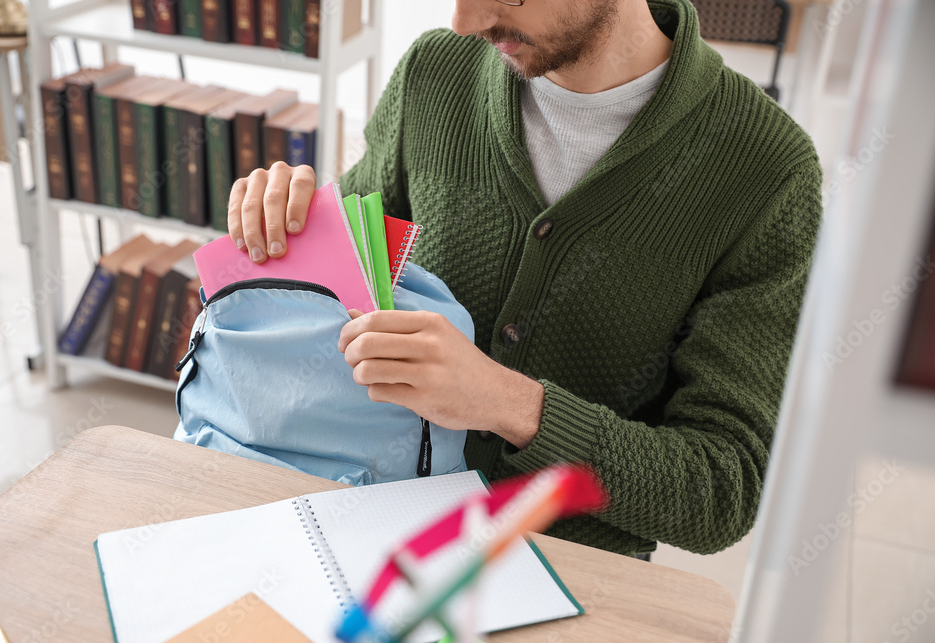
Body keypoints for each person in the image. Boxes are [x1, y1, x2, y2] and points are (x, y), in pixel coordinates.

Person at [226, 0, 822, 557]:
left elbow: (722, 492)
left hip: (569, 572)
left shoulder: (768, 172)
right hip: (367, 529)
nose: (465, 21)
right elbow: (352, 275)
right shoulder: (434, 74)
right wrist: (289, 217)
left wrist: (510, 404)